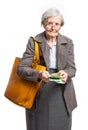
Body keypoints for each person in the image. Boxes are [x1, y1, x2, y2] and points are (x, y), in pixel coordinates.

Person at [17, 7, 77, 130]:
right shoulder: (34, 41)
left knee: (61, 124)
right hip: (39, 89)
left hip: (62, 91)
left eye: (57, 24)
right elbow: (21, 68)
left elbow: (72, 68)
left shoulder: (68, 42)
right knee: (39, 124)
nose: (53, 27)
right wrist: (39, 73)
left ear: (61, 26)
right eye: (49, 23)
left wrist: (66, 73)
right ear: (43, 24)